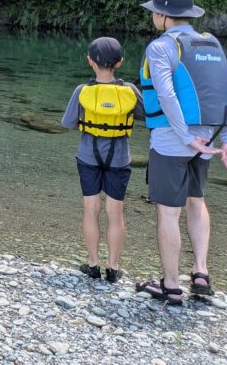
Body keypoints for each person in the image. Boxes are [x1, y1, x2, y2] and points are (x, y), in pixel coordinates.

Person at [135, 0, 227, 306]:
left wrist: (183, 135)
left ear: (165, 16)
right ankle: (200, 274)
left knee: (168, 213)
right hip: (207, 141)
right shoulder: (210, 44)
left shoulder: (160, 48)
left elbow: (166, 94)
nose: (152, 15)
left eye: (154, 11)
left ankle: (170, 286)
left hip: (173, 143)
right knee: (196, 201)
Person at [60, 37, 144, 283]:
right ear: (120, 62)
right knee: (115, 212)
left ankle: (93, 264)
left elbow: (67, 123)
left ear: (90, 61)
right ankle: (113, 268)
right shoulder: (129, 91)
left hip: (88, 157)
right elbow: (145, 114)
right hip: (119, 159)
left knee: (91, 208)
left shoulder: (82, 91)